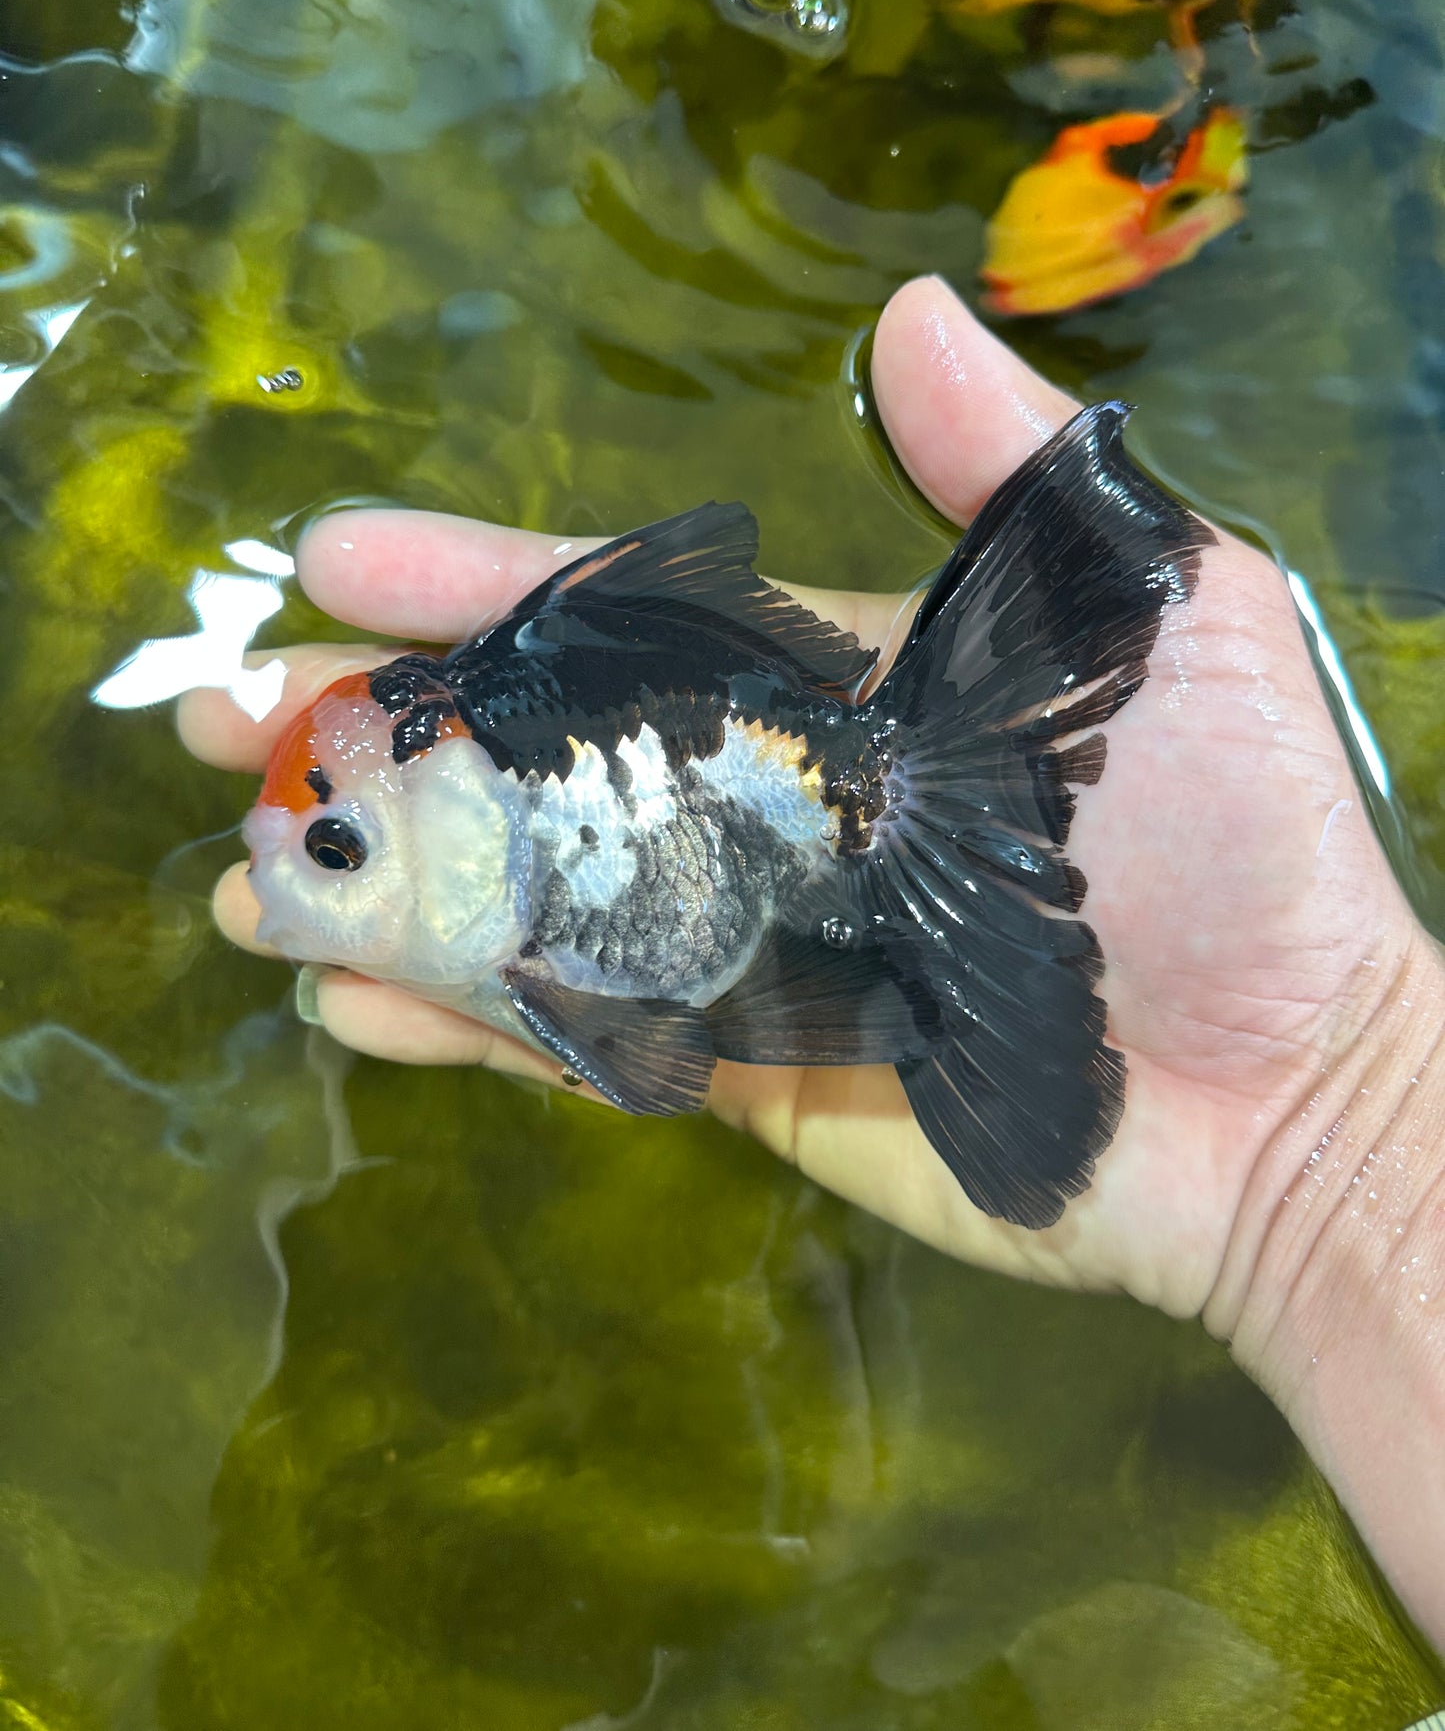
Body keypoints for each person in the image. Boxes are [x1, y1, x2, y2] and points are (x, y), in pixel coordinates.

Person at [179, 274, 1445, 1650]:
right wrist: (1338, 1148)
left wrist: (1349, 1119)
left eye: (338, 853)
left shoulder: (567, 866)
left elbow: (650, 1057)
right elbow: (651, 1058)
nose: (293, 884)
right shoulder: (500, 909)